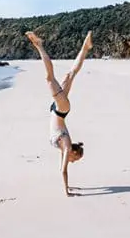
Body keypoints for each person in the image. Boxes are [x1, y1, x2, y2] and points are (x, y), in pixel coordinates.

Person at [25, 30, 92, 196]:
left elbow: (62, 166)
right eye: (75, 159)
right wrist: (66, 192)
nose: (73, 162)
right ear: (74, 153)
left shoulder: (65, 148)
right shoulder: (67, 147)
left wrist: (69, 188)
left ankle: (85, 48)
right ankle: (39, 45)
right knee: (49, 78)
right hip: (61, 109)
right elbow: (63, 171)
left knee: (70, 74)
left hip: (59, 109)